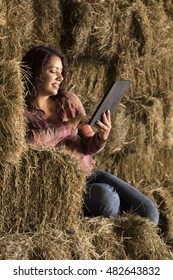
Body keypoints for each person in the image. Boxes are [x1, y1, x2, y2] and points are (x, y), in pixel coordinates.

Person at [22, 45, 159, 224]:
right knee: (108, 199)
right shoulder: (22, 111)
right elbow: (30, 142)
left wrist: (101, 136)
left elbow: (88, 146)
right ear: (36, 72)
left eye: (61, 72)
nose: (60, 78)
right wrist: (69, 125)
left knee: (149, 213)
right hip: (59, 183)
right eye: (53, 71)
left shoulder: (69, 101)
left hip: (89, 173)